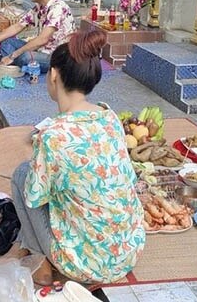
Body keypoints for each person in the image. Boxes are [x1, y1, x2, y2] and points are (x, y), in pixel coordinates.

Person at [10, 28, 146, 286]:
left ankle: (40, 261)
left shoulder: (52, 135)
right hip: (128, 251)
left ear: (53, 75)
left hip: (83, 264)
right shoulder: (109, 116)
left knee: (21, 174)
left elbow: (36, 197)